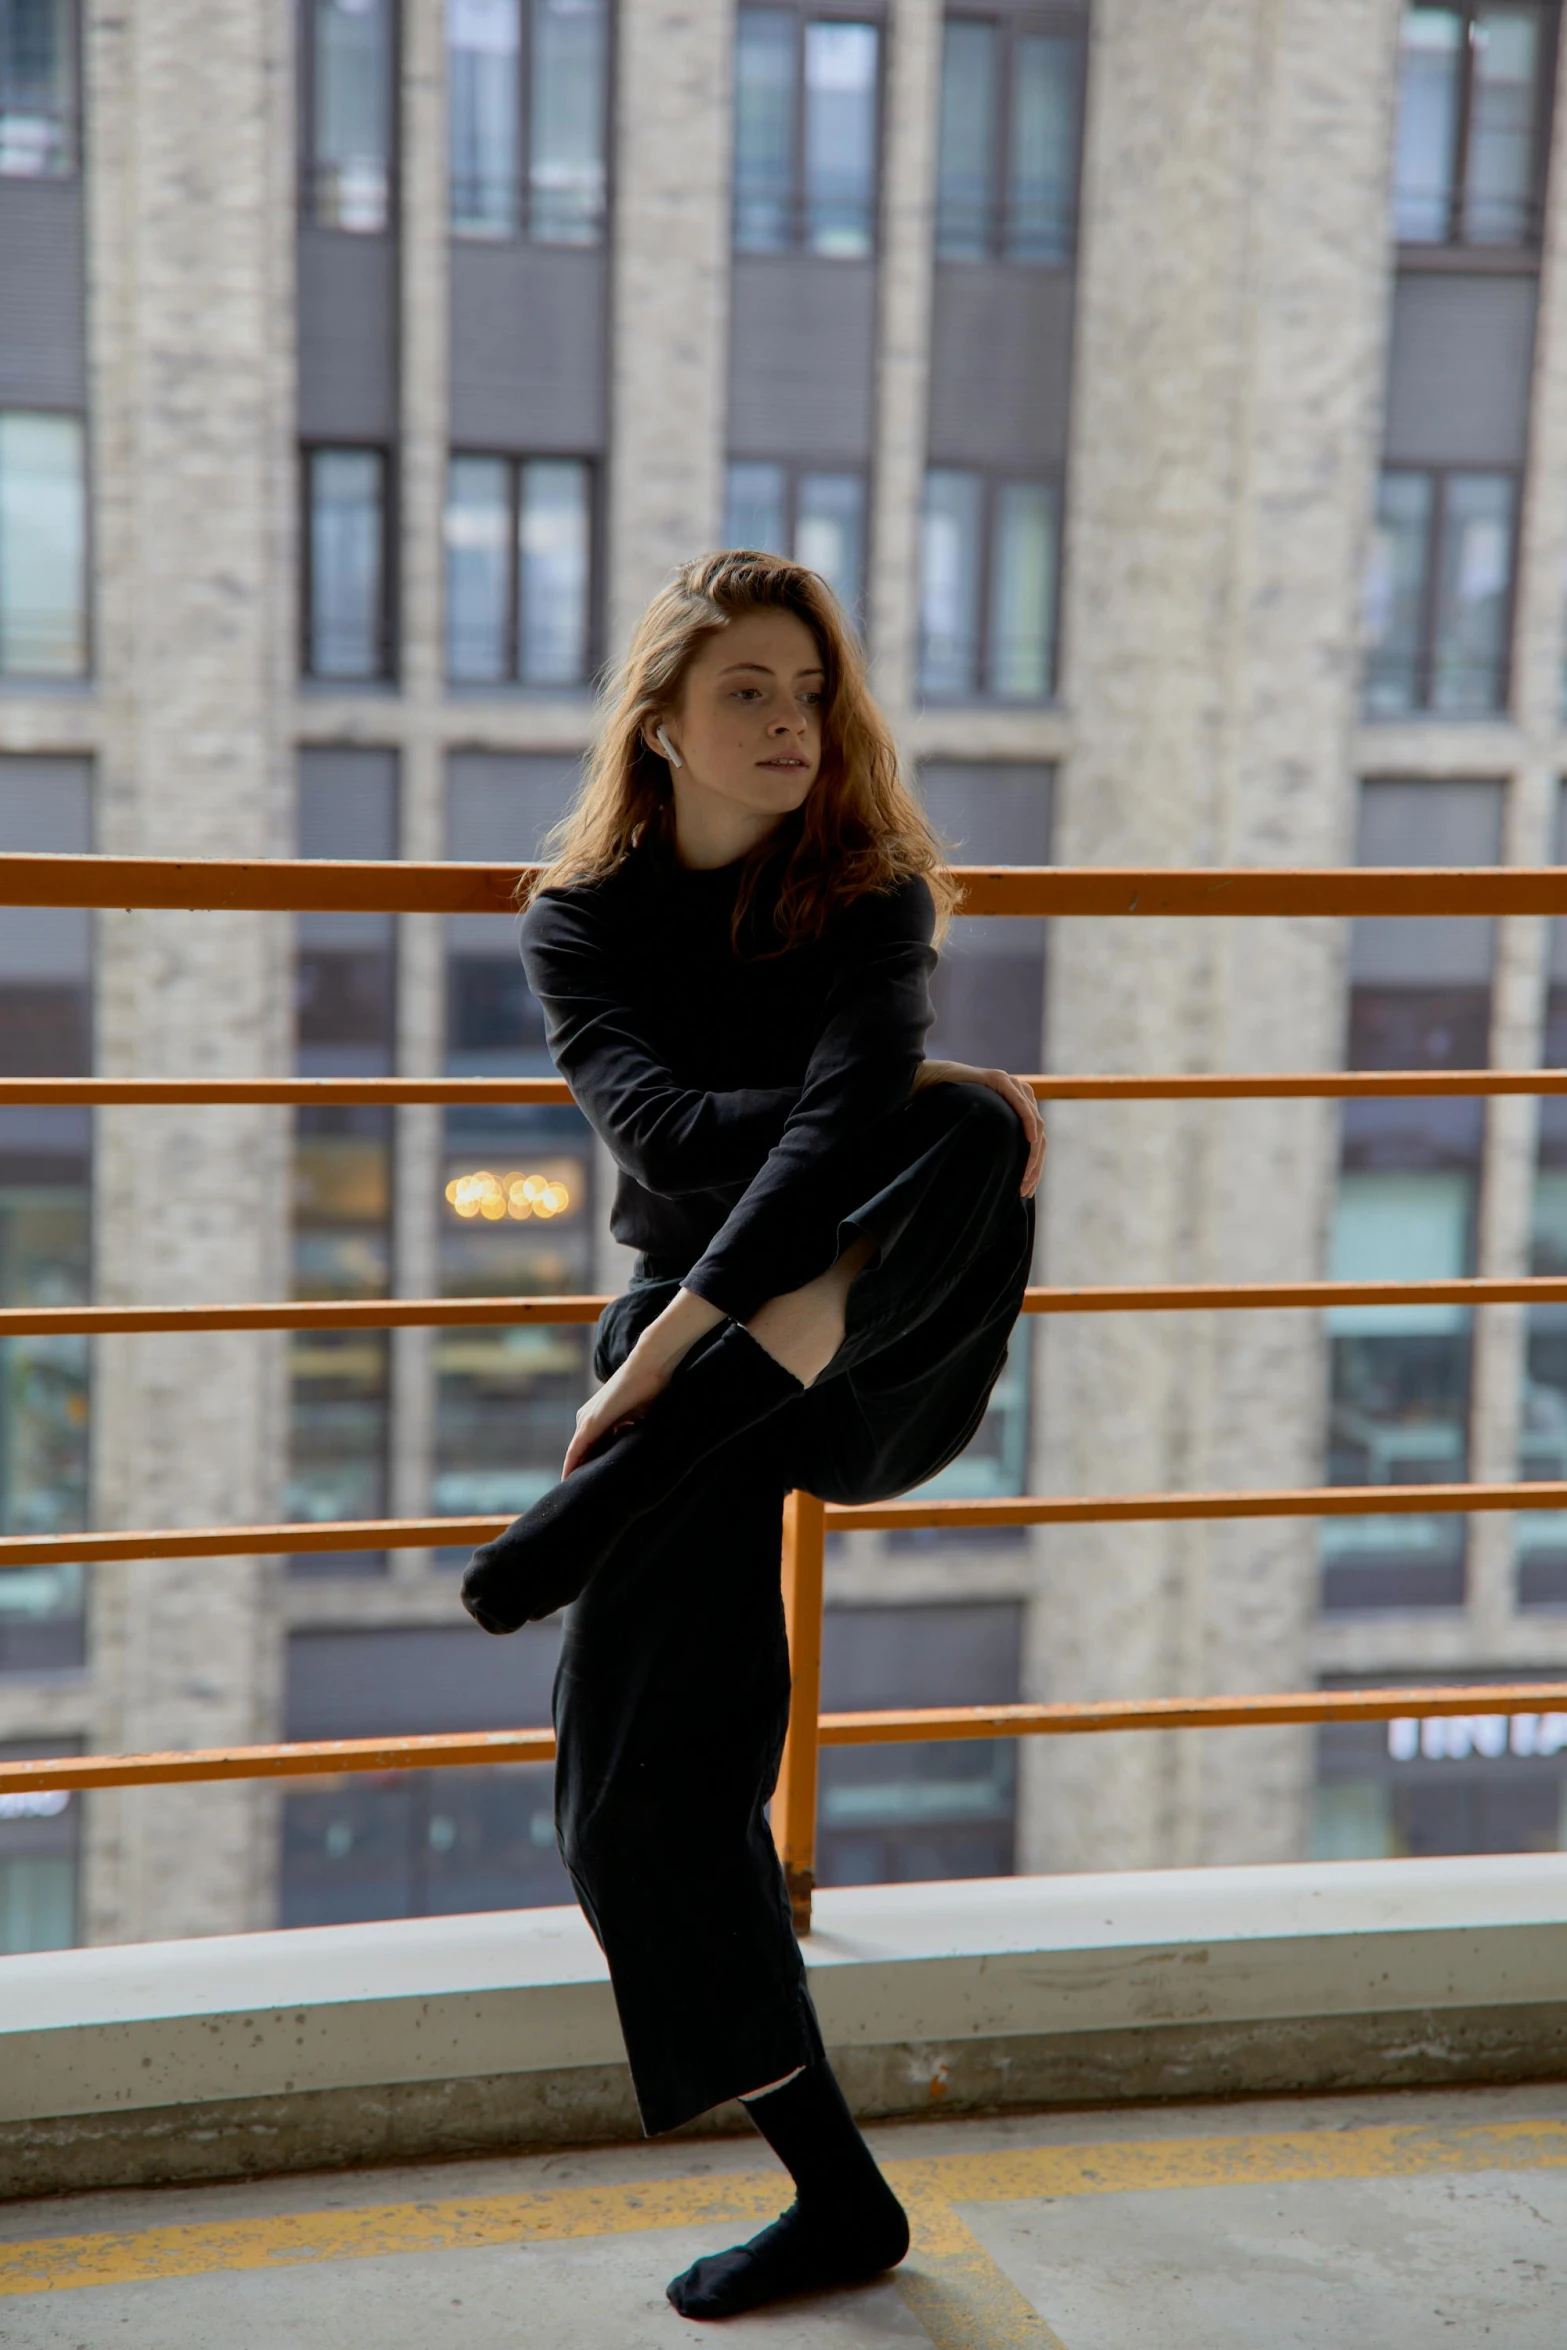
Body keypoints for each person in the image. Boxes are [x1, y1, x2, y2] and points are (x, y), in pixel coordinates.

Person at [460, 549, 1044, 2321]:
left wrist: (679, 1344)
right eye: (748, 695)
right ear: (661, 725)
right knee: (637, 1805)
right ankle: (838, 2197)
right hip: (698, 1364)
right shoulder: (580, 919)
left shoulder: (873, 895)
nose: (793, 724)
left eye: (809, 693)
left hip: (863, 1359)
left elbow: (827, 1140)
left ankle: (650, 1449)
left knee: (957, 1143)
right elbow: (675, 1134)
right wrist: (871, 1113)